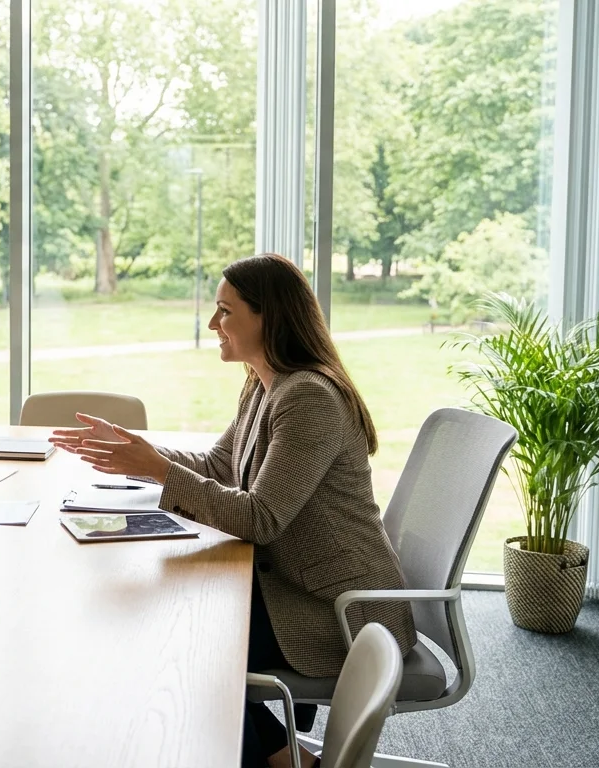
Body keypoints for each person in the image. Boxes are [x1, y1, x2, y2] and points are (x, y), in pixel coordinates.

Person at [48, 253, 416, 768]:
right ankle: (285, 759)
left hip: (339, 611)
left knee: (183, 650)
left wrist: (157, 469)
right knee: (174, 635)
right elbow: (222, 462)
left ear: (267, 316)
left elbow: (261, 518)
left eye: (225, 311)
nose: (212, 324)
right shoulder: (264, 382)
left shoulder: (307, 395)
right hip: (295, 585)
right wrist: (138, 453)